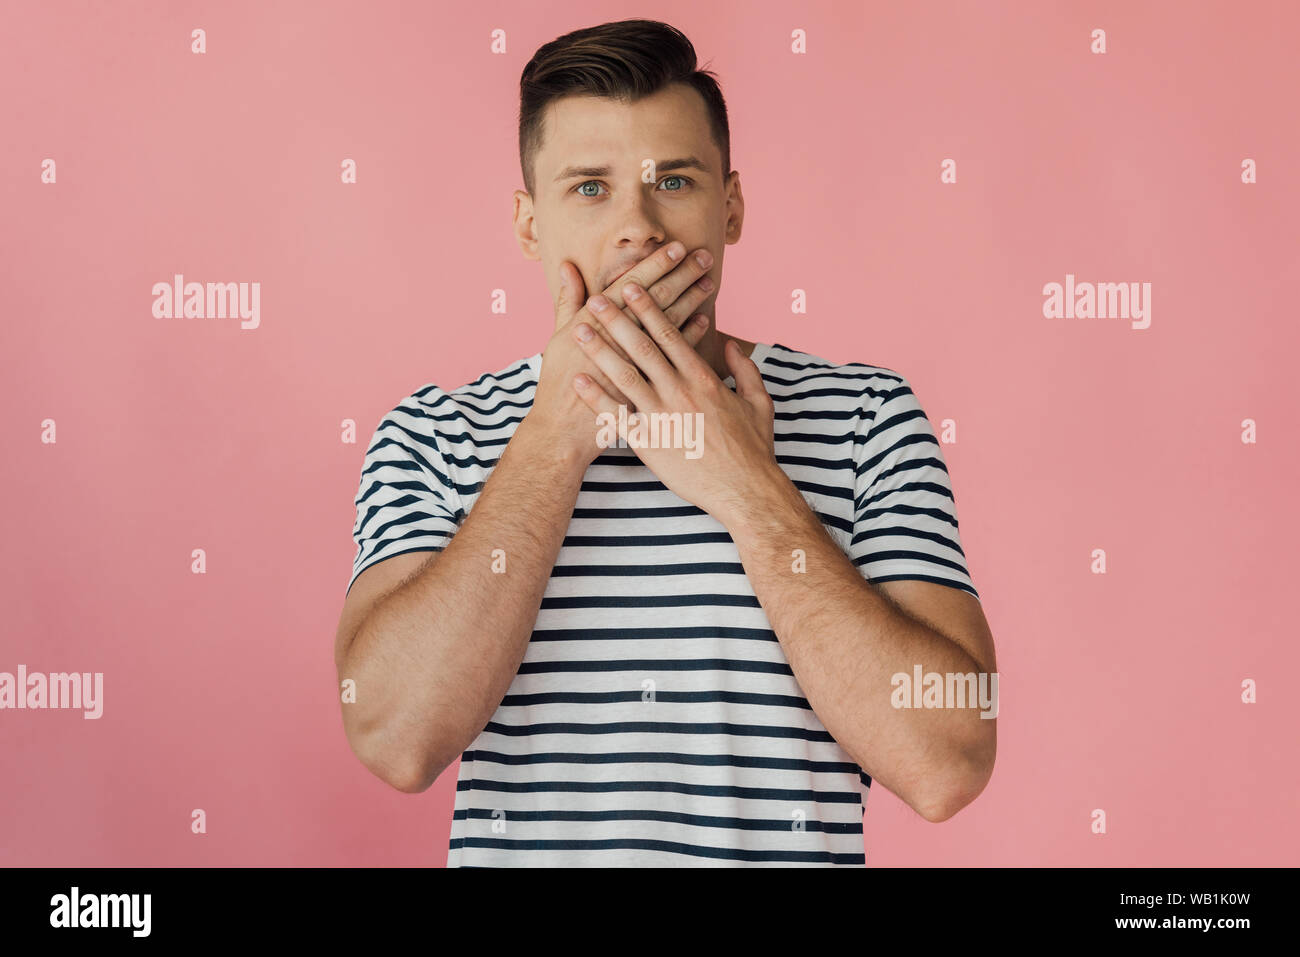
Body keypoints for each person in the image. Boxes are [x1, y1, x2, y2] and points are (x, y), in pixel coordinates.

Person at [334, 19, 997, 866]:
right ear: (528, 224)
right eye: (589, 188)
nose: (637, 228)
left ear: (731, 207)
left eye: (674, 181)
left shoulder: (867, 417)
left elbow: (947, 763)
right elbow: (395, 737)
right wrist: (555, 434)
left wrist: (747, 488)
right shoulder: (434, 435)